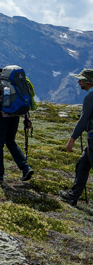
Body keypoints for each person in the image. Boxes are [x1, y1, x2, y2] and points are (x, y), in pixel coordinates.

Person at [0, 65, 34, 183]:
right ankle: (25, 168)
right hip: (16, 116)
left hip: (1, 117)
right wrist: (27, 118)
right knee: (10, 142)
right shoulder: (15, 81)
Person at [59, 69, 93, 206]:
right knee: (83, 164)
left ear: (89, 82)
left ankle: (73, 196)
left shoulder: (90, 97)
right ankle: (73, 196)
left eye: (81, 80)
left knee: (84, 165)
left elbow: (83, 121)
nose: (78, 82)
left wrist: (71, 140)